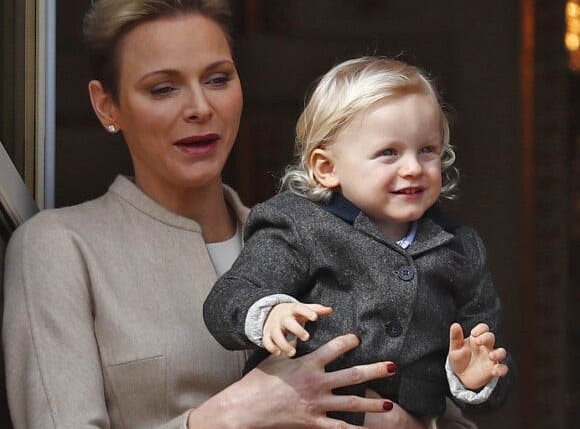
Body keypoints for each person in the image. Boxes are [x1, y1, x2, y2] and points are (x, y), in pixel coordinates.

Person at [0, 0, 474, 429]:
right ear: (108, 105)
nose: (200, 108)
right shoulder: (61, 248)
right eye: (163, 88)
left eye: (218, 79)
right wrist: (227, 416)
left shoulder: (316, 236)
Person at [204, 56, 514, 426]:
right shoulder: (297, 225)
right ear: (327, 168)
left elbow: (491, 360)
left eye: (427, 149)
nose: (413, 167)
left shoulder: (460, 249)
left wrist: (472, 377)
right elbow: (227, 298)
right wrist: (269, 312)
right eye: (389, 152)